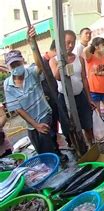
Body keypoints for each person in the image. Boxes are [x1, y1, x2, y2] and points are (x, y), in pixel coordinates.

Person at [3, 28, 62, 156]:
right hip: (30, 122)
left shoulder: (31, 73)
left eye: (18, 63)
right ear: (8, 67)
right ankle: (53, 157)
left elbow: (40, 66)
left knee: (45, 138)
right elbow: (19, 109)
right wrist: (35, 125)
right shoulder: (8, 85)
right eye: (13, 66)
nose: (16, 67)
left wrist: (32, 44)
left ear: (22, 61)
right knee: (39, 148)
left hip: (44, 113)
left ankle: (54, 162)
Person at [50, 30, 95, 146]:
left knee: (87, 123)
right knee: (70, 128)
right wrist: (62, 60)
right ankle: (77, 148)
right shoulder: (54, 60)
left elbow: (84, 79)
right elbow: (58, 77)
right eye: (67, 42)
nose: (70, 45)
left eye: (73, 42)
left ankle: (91, 145)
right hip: (64, 99)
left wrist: (89, 98)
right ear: (60, 43)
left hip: (80, 96)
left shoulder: (79, 59)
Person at [84, 37, 104, 139]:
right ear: (97, 46)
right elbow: (85, 51)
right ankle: (100, 134)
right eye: (102, 45)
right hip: (94, 90)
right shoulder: (91, 58)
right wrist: (92, 46)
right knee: (97, 113)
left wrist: (99, 73)